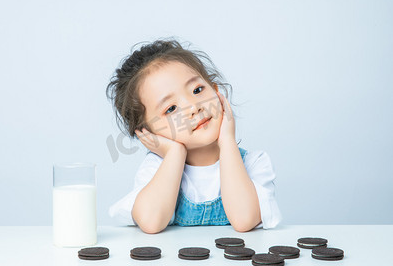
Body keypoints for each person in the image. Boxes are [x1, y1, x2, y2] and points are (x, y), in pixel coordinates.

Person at [105, 38, 281, 234]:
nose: (193, 108)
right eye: (171, 109)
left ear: (216, 92)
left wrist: (227, 143)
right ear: (149, 132)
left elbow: (244, 219)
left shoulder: (254, 163)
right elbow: (151, 222)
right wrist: (174, 153)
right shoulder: (155, 170)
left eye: (197, 90)